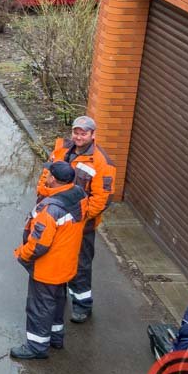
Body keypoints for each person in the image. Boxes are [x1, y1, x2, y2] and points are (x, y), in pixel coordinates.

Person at [38, 115, 117, 324]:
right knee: (56, 260)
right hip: (55, 220)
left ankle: (82, 305)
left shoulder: (102, 163)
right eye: (76, 132)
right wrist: (43, 197)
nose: (79, 136)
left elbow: (101, 200)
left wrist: (76, 219)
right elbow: (47, 174)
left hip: (81, 227)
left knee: (80, 265)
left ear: (93, 135)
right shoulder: (62, 149)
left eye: (84, 133)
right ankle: (59, 298)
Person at [10, 161, 86, 360]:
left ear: (54, 178)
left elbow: (38, 244)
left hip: (47, 268)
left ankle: (37, 347)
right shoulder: (79, 195)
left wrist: (21, 253)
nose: (46, 177)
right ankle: (55, 337)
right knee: (57, 302)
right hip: (65, 265)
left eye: (48, 175)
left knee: (39, 307)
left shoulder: (50, 210)